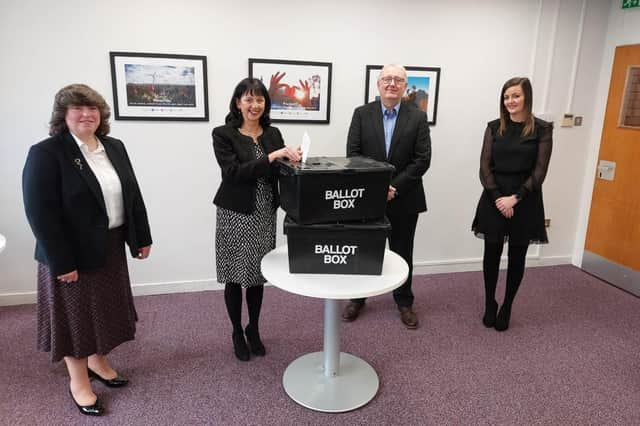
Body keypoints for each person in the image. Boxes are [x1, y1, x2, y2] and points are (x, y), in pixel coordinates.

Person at [22, 84, 152, 416]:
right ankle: (78, 380)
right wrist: (60, 261)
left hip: (109, 246)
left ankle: (98, 361)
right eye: (77, 108)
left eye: (92, 108)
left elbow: (132, 195)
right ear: (62, 115)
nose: (86, 114)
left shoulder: (114, 147)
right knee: (76, 320)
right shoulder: (47, 153)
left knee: (105, 311)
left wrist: (141, 237)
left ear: (101, 114)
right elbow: (41, 214)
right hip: (70, 253)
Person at [212, 78, 301, 361]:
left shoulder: (273, 132)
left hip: (264, 210)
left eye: (259, 99)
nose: (254, 105)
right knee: (236, 276)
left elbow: (278, 170)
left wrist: (292, 160)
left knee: (258, 276)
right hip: (236, 212)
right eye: (248, 99)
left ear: (266, 104)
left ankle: (254, 328)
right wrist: (273, 156)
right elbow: (234, 173)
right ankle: (237, 331)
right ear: (238, 103)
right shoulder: (223, 134)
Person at [343, 64, 431, 329]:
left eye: (398, 80)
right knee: (365, 251)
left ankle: (404, 301)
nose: (392, 84)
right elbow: (353, 154)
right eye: (387, 79)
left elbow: (422, 159)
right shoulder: (362, 114)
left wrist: (394, 187)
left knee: (403, 252)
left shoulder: (417, 117)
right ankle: (358, 298)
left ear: (405, 86)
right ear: (378, 84)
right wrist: (378, 186)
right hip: (368, 198)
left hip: (405, 197)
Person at [471, 77, 553, 331]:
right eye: (506, 97)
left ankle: (507, 305)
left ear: (527, 97)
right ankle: (489, 303)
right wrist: (498, 198)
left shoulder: (542, 129)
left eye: (515, 96)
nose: (510, 101)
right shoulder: (494, 127)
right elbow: (484, 168)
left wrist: (515, 198)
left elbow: (540, 172)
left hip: (525, 199)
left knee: (517, 256)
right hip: (494, 197)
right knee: (491, 254)